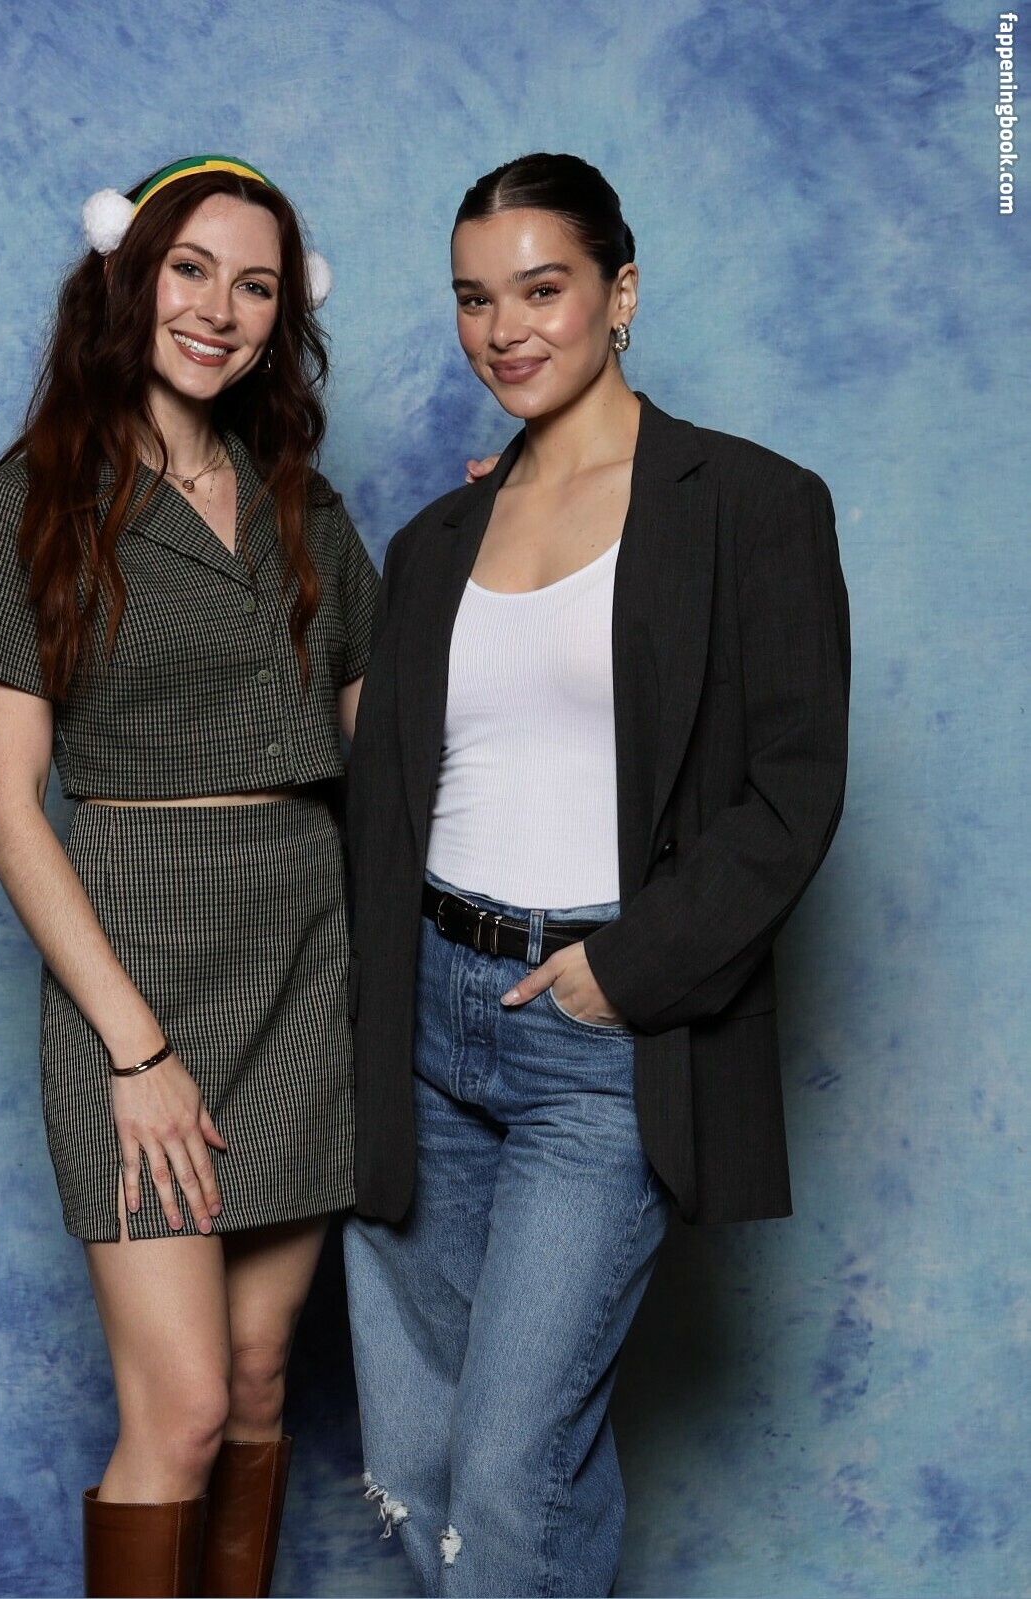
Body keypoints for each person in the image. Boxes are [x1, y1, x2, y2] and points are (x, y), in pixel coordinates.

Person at [342, 152, 851, 1598]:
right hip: (422, 1017)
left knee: (514, 1467)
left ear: (620, 294)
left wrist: (623, 976)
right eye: (473, 300)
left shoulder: (749, 504)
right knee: (422, 1461)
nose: (505, 329)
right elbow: (396, 772)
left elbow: (792, 791)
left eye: (542, 289)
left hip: (594, 1028)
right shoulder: (437, 538)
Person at [0, 154, 380, 1598]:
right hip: (133, 959)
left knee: (255, 1381)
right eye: (191, 269)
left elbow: (393, 732)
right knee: (180, 1412)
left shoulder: (304, 505)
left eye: (255, 286)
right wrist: (136, 1053)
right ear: (127, 275)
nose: (219, 309)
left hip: (303, 956)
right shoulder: (34, 499)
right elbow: (8, 809)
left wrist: (503, 530)